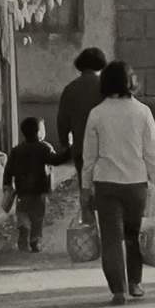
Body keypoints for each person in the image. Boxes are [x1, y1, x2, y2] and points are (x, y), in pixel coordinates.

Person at [79, 59, 155, 304]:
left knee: (110, 239)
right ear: (132, 82)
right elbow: (152, 152)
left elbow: (89, 156)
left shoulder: (96, 114)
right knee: (133, 235)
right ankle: (135, 284)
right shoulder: (143, 112)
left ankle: (118, 290)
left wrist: (85, 188)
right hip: (136, 184)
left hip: (106, 183)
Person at [55, 46, 108, 223]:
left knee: (85, 187)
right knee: (104, 187)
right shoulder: (105, 88)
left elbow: (63, 119)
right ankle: (106, 224)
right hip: (104, 146)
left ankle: (89, 225)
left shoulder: (70, 88)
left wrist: (64, 142)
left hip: (81, 147)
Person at [4, 116, 62, 252]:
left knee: (22, 212)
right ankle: (35, 238)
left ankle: (24, 226)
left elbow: (9, 169)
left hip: (22, 190)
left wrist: (6, 184)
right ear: (38, 132)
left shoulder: (16, 150)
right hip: (39, 189)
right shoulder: (45, 148)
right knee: (38, 216)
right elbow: (55, 160)